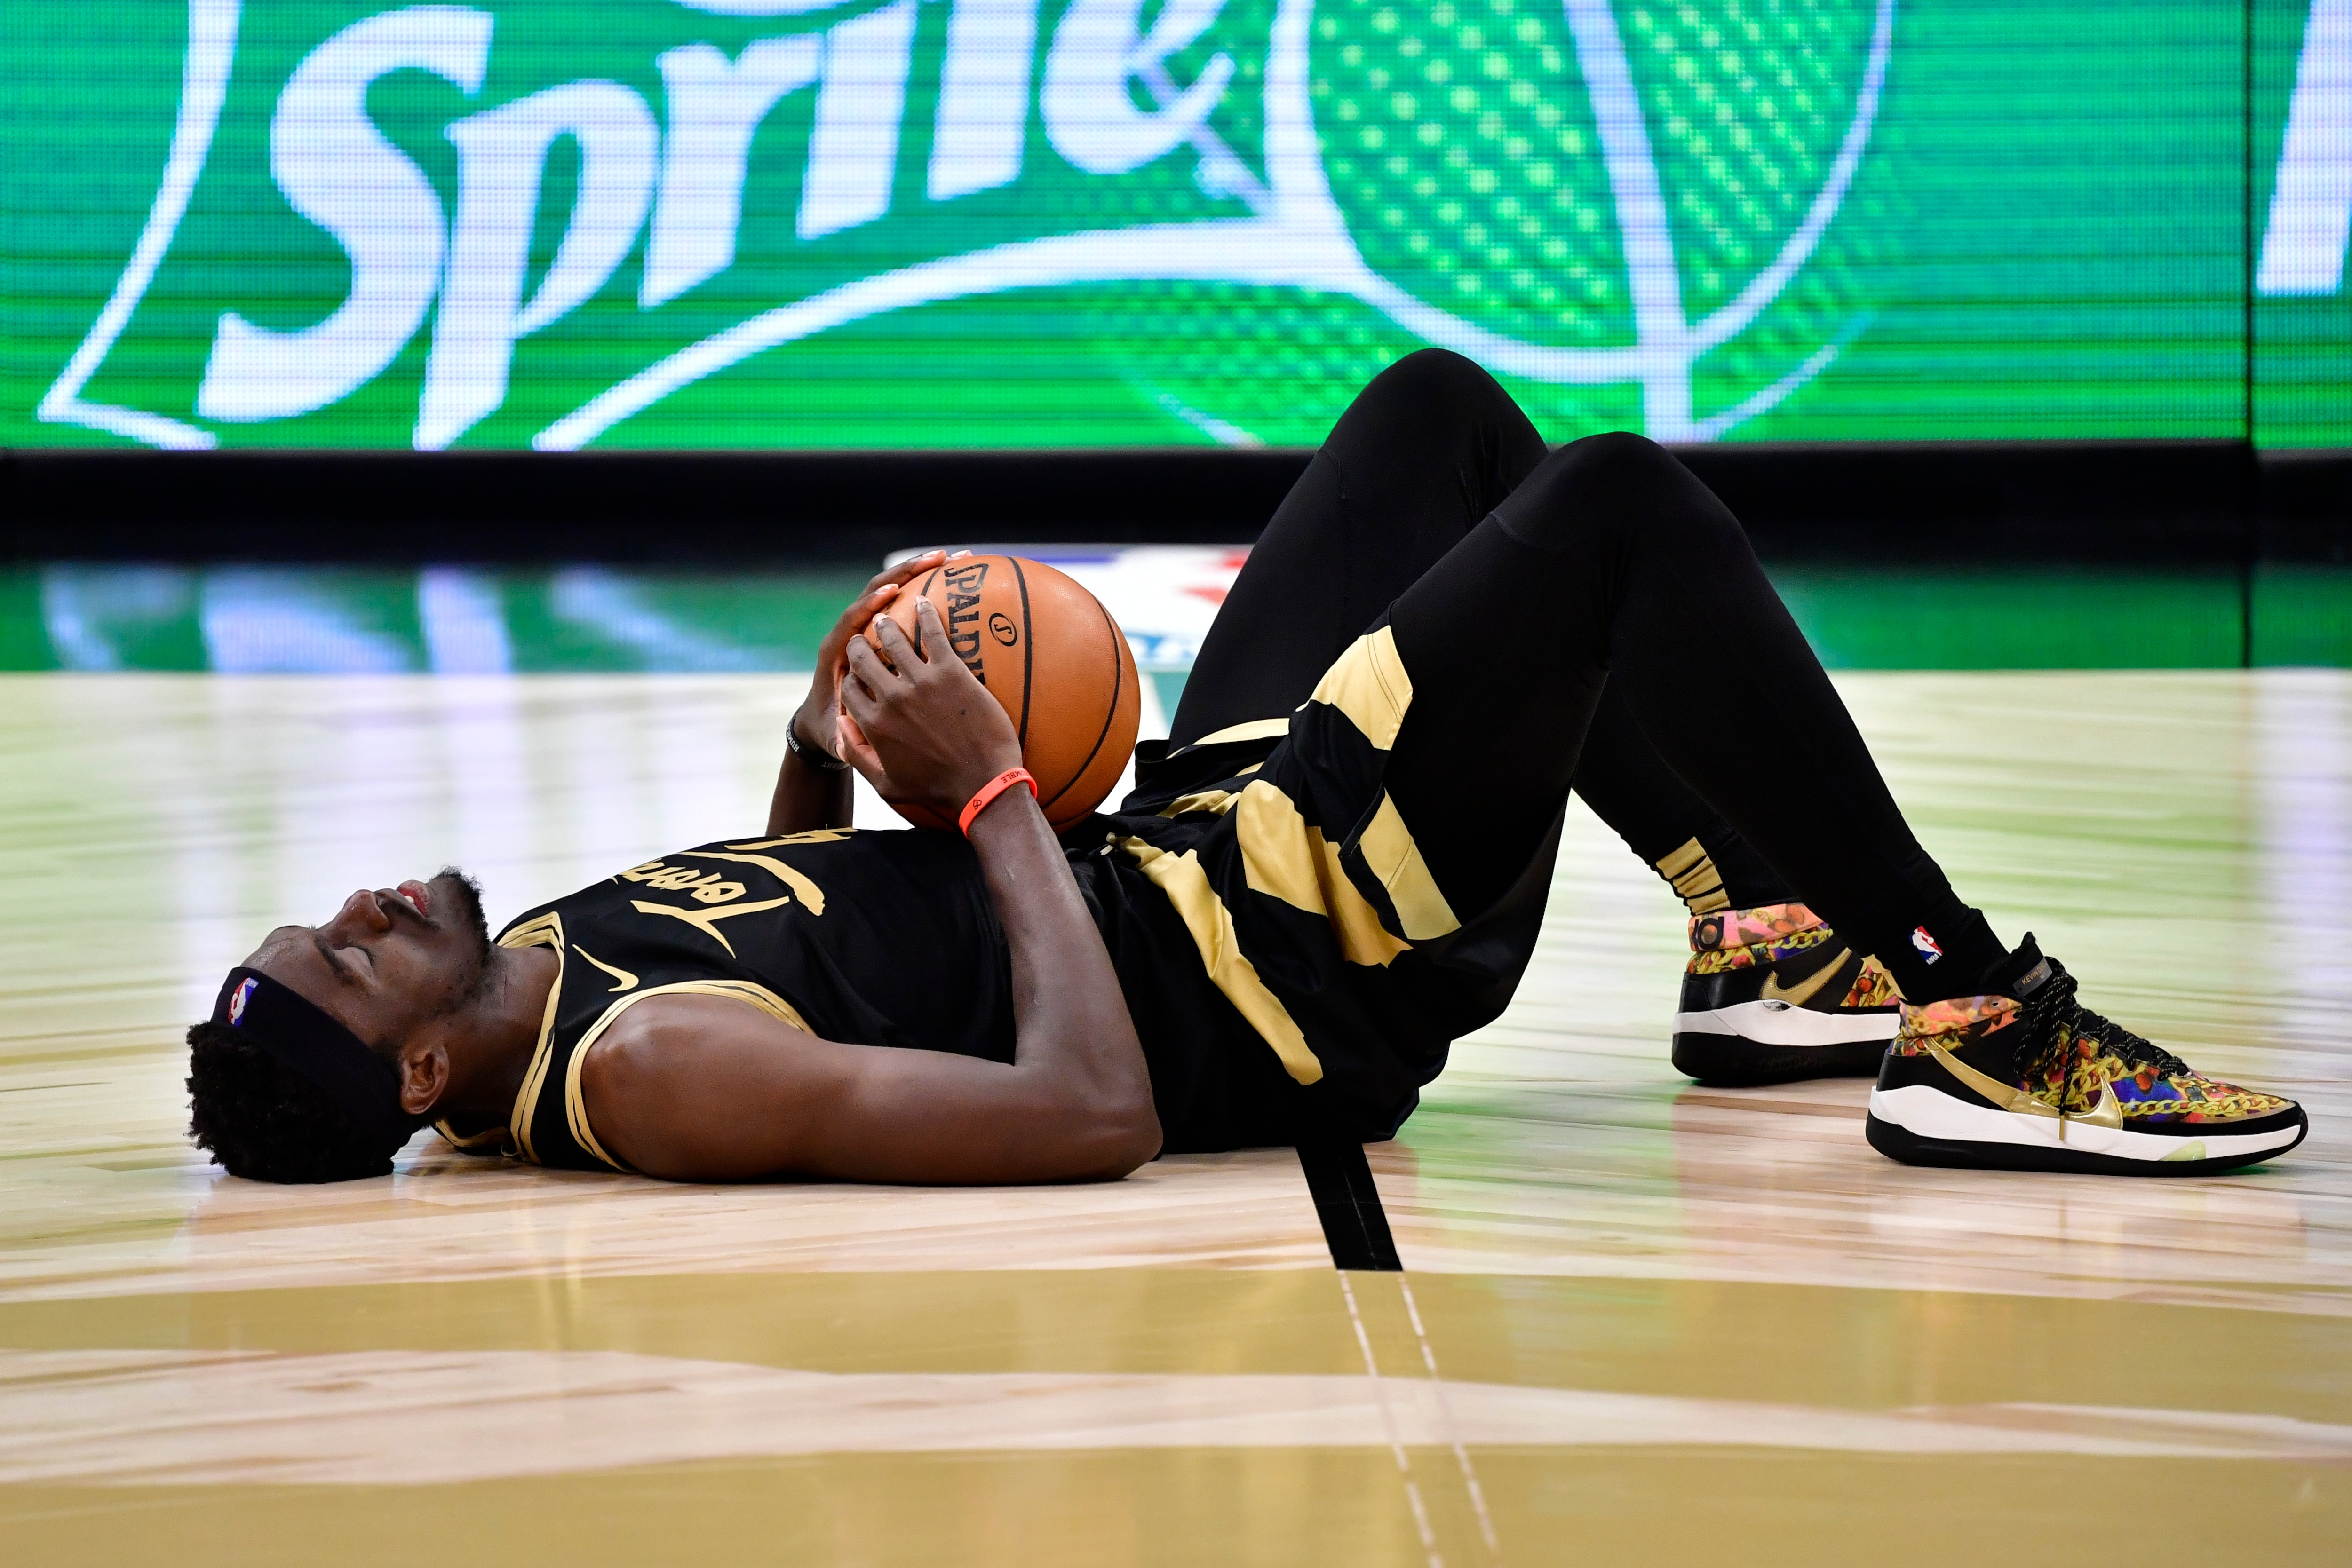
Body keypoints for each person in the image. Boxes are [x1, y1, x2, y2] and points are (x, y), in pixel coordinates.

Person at [186, 351, 2308, 1185]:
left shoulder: (540, 967)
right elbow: (1086, 1110)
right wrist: (1000, 793)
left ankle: (1750, 936)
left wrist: (828, 720)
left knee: (1430, 422)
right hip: (1282, 967)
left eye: (346, 911)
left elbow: (816, 914)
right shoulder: (646, 1080)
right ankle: (1971, 1018)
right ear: (406, 1081)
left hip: (1188, 861)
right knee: (1610, 510)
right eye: (359, 956)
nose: (378, 903)